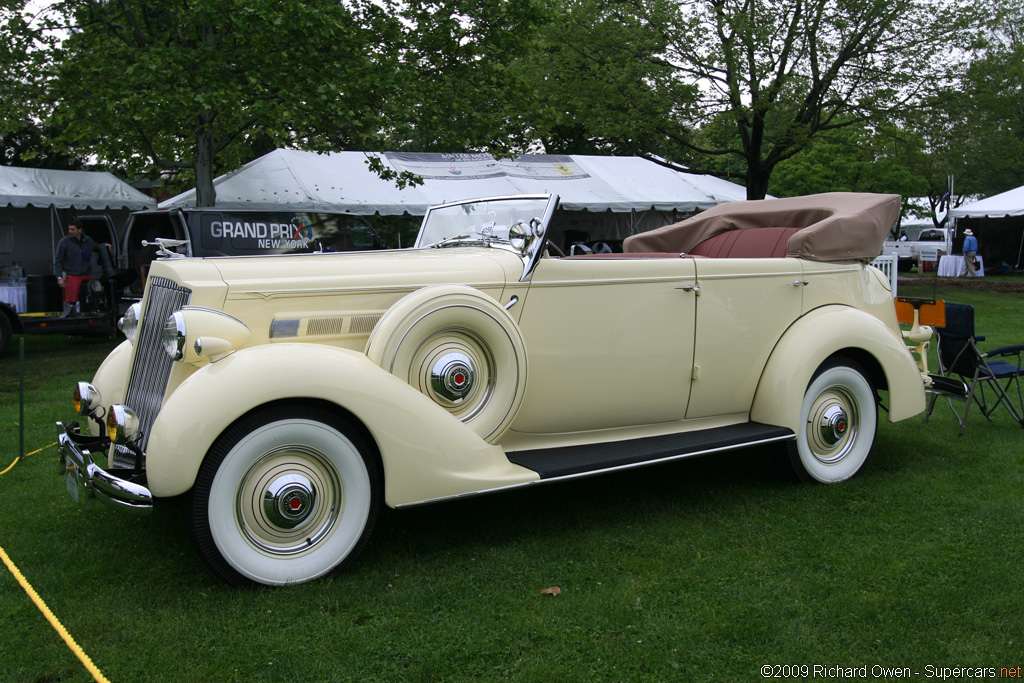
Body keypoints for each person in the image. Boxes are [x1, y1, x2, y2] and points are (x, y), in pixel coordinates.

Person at [53, 218, 113, 316]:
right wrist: (59, 277)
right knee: (72, 300)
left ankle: (89, 315)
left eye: (72, 229)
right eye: (69, 229)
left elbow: (95, 247)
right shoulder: (64, 242)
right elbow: (58, 261)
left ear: (80, 230)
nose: (70, 232)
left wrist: (105, 245)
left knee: (88, 297)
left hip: (86, 275)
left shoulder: (88, 240)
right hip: (73, 275)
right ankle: (73, 318)